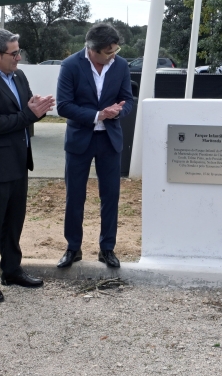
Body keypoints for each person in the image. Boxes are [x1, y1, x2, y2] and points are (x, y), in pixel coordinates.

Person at [0, 29, 55, 302]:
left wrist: (37, 110)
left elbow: (24, 114)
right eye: (14, 53)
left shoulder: (18, 76)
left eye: (19, 52)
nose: (19, 57)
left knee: (15, 220)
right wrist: (29, 114)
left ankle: (12, 270)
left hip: (18, 161)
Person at [55, 23, 133, 269]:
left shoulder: (121, 65)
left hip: (110, 140)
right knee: (75, 195)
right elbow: (63, 106)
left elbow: (128, 100)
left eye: (115, 50)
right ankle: (73, 248)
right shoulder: (70, 65)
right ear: (92, 49)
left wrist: (118, 112)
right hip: (79, 139)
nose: (113, 55)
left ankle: (107, 248)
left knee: (110, 195)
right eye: (108, 52)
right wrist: (98, 115)